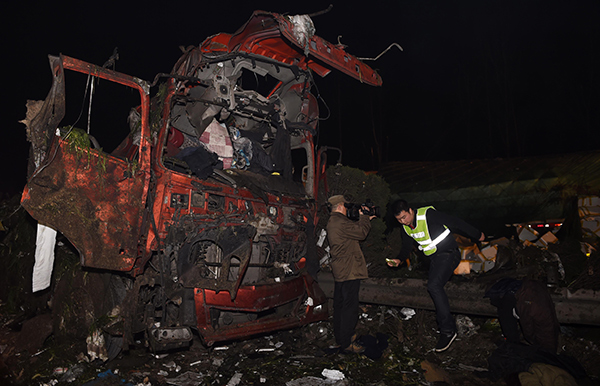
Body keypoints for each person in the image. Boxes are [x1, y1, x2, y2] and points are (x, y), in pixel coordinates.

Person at [387, 199, 485, 352]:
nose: (403, 222)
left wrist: (477, 234)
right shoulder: (405, 228)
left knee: (434, 286)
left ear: (411, 210)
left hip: (449, 254)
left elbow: (455, 222)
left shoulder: (428, 215)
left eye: (404, 217)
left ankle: (448, 330)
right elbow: (406, 247)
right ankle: (447, 321)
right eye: (399, 220)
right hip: (435, 259)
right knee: (435, 287)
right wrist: (399, 259)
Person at [326, 195, 375, 353]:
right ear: (340, 206)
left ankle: (341, 337)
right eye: (345, 206)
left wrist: (364, 219)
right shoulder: (340, 222)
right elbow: (361, 233)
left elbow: (351, 232)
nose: (347, 208)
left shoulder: (333, 221)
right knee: (350, 308)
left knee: (340, 305)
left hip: (341, 269)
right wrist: (365, 217)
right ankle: (347, 343)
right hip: (349, 270)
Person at [485, 277, 560, 353]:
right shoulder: (533, 307)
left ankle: (513, 345)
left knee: (509, 322)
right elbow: (527, 324)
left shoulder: (538, 308)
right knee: (509, 325)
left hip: (522, 292)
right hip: (513, 297)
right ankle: (512, 346)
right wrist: (530, 339)